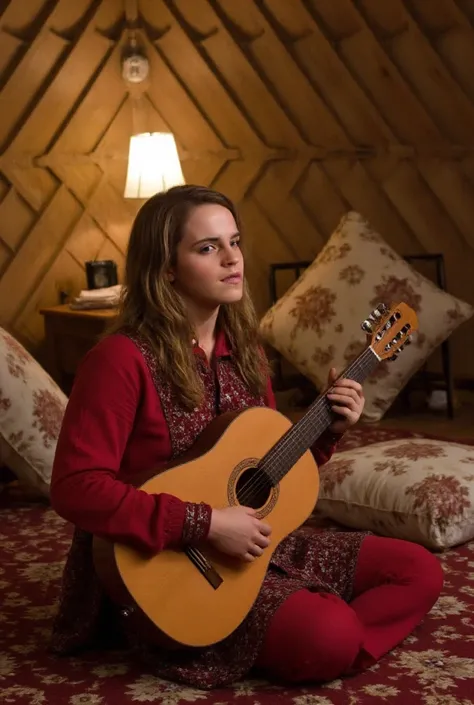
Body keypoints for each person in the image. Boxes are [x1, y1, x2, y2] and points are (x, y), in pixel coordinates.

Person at [49, 185, 443, 689]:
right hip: (164, 566)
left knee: (419, 571)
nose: (232, 259)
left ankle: (316, 632)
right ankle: (304, 629)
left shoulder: (247, 353)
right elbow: (75, 487)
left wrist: (328, 432)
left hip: (255, 544)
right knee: (327, 633)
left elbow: (266, 471)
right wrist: (206, 523)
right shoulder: (119, 361)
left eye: (235, 242)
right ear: (166, 267)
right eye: (208, 247)